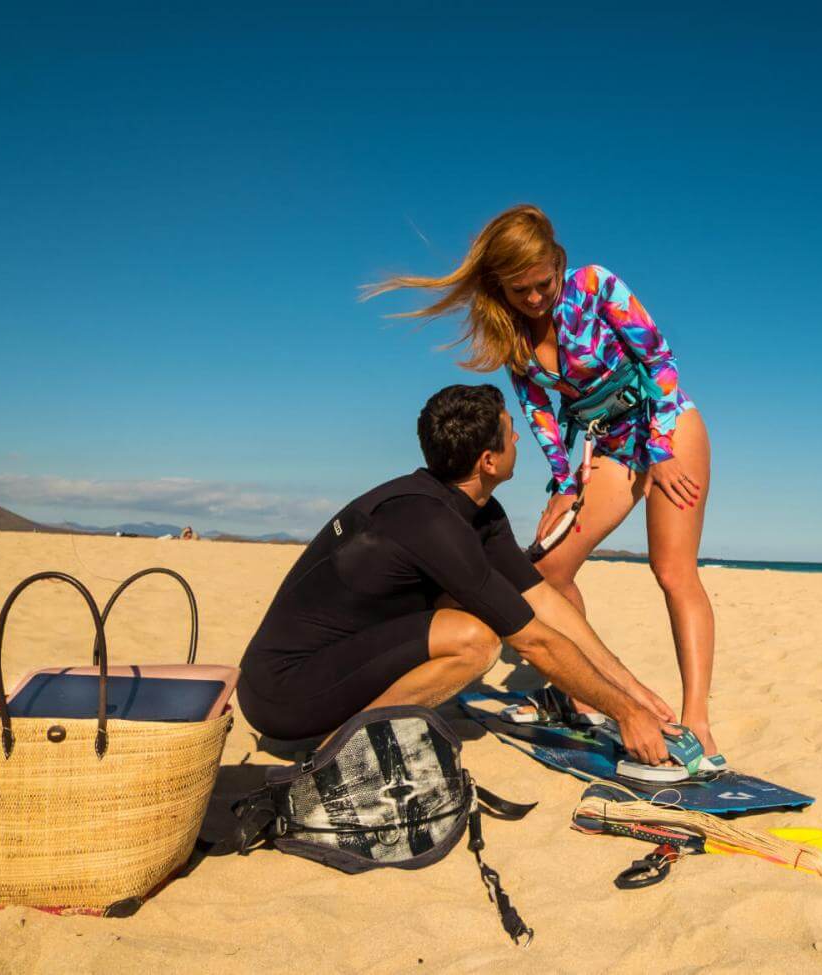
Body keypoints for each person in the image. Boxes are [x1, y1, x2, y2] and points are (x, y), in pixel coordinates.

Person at [365, 205, 721, 760]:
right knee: (549, 571)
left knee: (672, 570)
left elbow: (660, 363)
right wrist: (563, 484)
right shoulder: (512, 337)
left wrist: (661, 453)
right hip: (605, 443)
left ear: (558, 264)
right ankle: (581, 696)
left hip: (667, 425)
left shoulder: (596, 286)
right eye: (520, 289)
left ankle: (696, 717)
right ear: (500, 286)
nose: (534, 298)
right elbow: (539, 413)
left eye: (542, 284)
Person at [237, 384, 676, 764]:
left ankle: (352, 734)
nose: (518, 437)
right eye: (509, 433)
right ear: (488, 460)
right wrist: (624, 713)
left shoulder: (477, 510)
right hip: (282, 694)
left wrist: (632, 690)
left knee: (471, 617)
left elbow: (542, 601)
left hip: (332, 665)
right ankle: (339, 754)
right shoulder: (429, 522)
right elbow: (535, 641)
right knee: (474, 640)